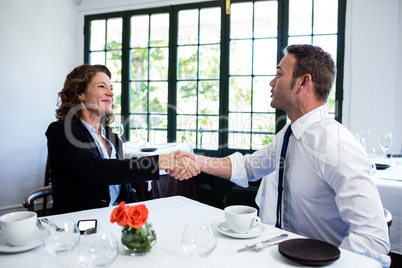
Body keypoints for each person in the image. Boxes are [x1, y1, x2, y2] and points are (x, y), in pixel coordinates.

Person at [171, 44, 391, 266]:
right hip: (279, 255)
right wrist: (197, 161)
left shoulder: (335, 145)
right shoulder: (288, 133)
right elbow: (249, 167)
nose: (272, 82)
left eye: (278, 74)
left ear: (303, 82)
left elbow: (373, 239)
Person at [46, 64, 200, 215]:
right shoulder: (62, 131)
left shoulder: (111, 137)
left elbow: (125, 188)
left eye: (111, 88)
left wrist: (136, 217)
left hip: (115, 220)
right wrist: (163, 161)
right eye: (102, 86)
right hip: (79, 223)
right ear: (80, 93)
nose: (111, 93)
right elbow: (100, 170)